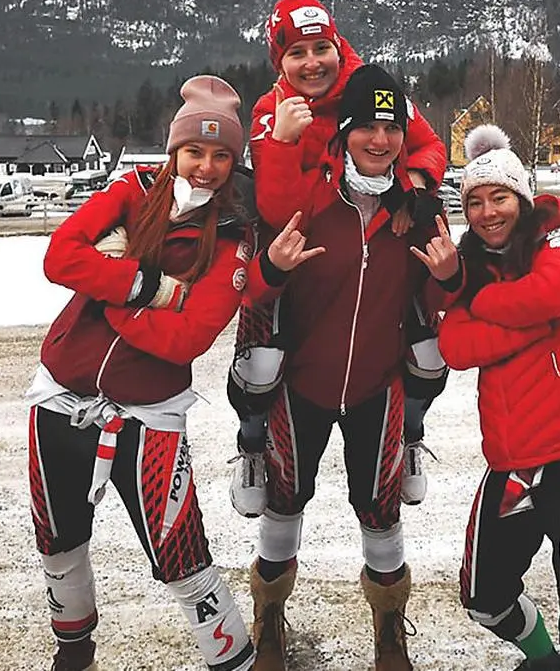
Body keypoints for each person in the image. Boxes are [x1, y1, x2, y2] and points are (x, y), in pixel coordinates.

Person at [27, 76, 257, 671]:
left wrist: (106, 288)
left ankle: (232, 659)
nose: (205, 167)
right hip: (59, 398)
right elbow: (59, 258)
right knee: (59, 542)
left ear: (234, 161)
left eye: (221, 155)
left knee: (182, 556)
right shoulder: (132, 190)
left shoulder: (234, 235)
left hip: (149, 414)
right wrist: (147, 286)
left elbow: (188, 338)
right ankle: (73, 654)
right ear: (173, 149)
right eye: (194, 151)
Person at [240, 64, 462, 671]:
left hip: (377, 386)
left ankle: (389, 630)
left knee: (381, 510)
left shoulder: (418, 207)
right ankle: (268, 621)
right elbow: (254, 295)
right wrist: (274, 269)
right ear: (343, 134)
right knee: (284, 504)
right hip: (301, 385)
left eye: (390, 128)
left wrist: (449, 278)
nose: (379, 140)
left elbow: (440, 297)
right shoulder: (309, 198)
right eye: (365, 126)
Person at [228, 0, 450, 518]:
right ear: (278, 61)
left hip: (377, 228)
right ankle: (253, 441)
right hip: (304, 240)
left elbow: (429, 146)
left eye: (322, 47)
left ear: (338, 45)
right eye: (297, 52)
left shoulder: (371, 87)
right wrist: (282, 141)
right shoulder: (271, 110)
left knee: (427, 344)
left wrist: (412, 186)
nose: (312, 63)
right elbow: (276, 209)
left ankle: (411, 429)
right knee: (261, 358)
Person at [437, 125, 560, 671]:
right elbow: (454, 345)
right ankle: (544, 661)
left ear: (521, 197)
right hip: (515, 462)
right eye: (473, 202)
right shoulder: (472, 262)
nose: (486, 212)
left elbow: (549, 294)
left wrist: (473, 295)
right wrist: (531, 321)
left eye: (498, 197)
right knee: (485, 600)